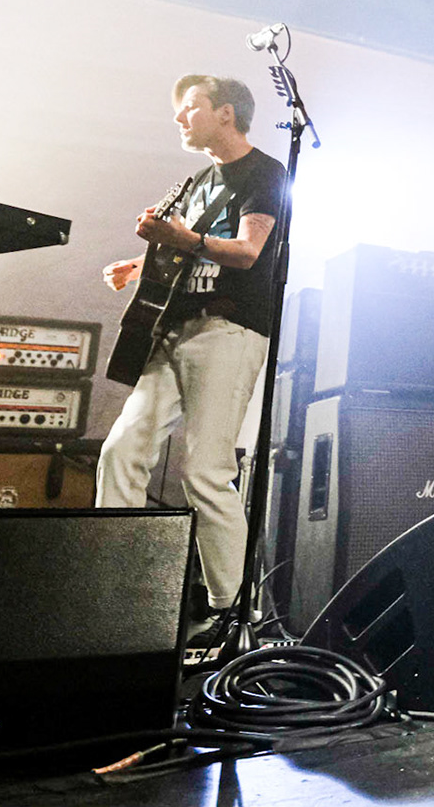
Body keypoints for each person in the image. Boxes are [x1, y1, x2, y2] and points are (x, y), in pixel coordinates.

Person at [98, 75, 286, 646]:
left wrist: (181, 240)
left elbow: (250, 251)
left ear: (226, 113)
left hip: (228, 330)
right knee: (120, 450)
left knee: (205, 469)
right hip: (173, 330)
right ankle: (121, 593)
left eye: (190, 109)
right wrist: (141, 259)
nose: (180, 119)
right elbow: (186, 242)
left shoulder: (266, 173)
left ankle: (236, 617)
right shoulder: (197, 181)